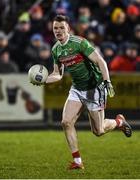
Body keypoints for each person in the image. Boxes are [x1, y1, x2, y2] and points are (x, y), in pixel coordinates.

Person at [31, 15, 132, 170]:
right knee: (66, 122)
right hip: (77, 89)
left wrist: (107, 81)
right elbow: (57, 74)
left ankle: (119, 122)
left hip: (94, 88)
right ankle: (77, 161)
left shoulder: (79, 43)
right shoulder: (56, 49)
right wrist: (43, 80)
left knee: (98, 131)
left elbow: (100, 61)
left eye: (61, 28)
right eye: (55, 28)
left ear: (68, 29)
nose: (58, 31)